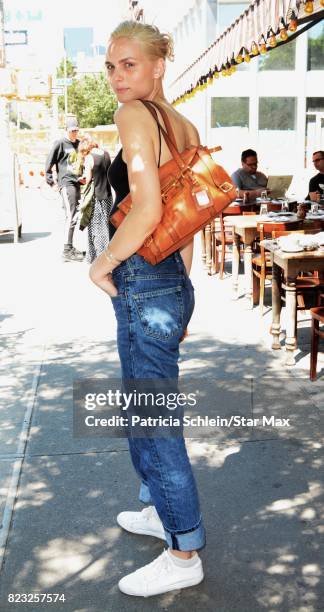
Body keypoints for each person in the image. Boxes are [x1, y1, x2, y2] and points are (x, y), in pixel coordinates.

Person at [89, 20, 205, 597]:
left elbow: (148, 209)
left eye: (129, 64)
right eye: (110, 66)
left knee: (155, 422)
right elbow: (190, 217)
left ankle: (184, 552)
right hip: (168, 281)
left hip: (142, 279)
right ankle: (161, 510)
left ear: (159, 65)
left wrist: (102, 264)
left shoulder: (135, 116)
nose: (116, 77)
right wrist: (182, 292)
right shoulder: (180, 121)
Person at [45, 117, 86, 262]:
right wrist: (51, 182)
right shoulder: (60, 144)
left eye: (76, 130)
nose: (74, 133)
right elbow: (49, 164)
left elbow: (82, 163)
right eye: (71, 130)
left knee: (74, 215)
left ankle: (70, 247)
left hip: (76, 184)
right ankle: (66, 250)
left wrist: (84, 177)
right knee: (71, 216)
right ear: (66, 130)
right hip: (66, 183)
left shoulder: (80, 144)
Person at [78, 137, 112, 262]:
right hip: (108, 196)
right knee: (107, 226)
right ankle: (109, 254)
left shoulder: (89, 158)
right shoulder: (106, 154)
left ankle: (97, 258)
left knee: (96, 229)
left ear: (86, 148)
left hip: (96, 197)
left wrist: (80, 181)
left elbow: (87, 180)